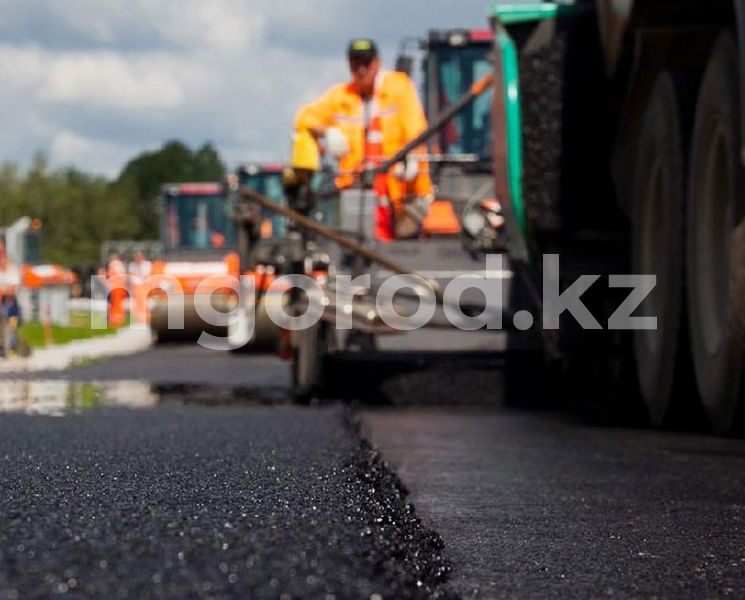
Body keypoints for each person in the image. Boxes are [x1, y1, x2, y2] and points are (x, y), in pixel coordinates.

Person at [292, 38, 434, 240]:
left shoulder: (399, 87)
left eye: (366, 63)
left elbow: (415, 129)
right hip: (357, 195)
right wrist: (327, 132)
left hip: (402, 194)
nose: (361, 70)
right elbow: (303, 118)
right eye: (355, 64)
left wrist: (411, 158)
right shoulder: (342, 97)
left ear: (377, 63)